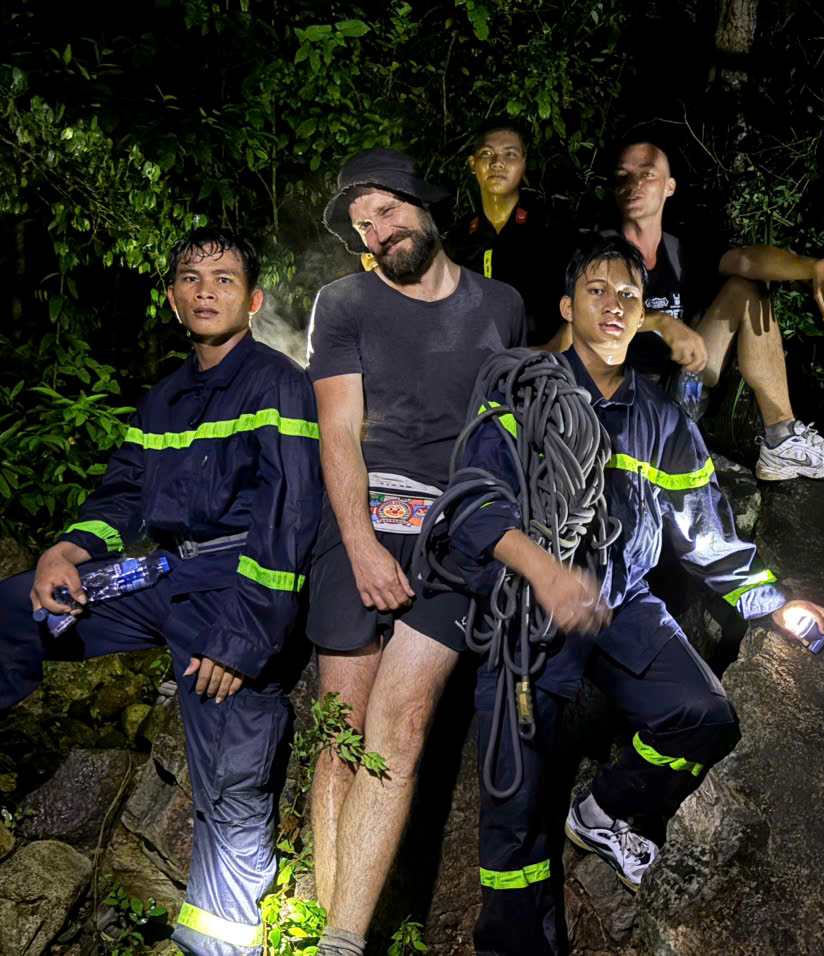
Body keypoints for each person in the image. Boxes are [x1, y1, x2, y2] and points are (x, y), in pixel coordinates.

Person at [0, 227, 320, 955]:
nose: (206, 291)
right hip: (161, 572)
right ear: (172, 300)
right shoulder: (164, 398)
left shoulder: (278, 383)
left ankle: (221, 937)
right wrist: (65, 551)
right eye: (191, 279)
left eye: (224, 280)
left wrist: (243, 639)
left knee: (231, 761)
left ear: (254, 300)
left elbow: (289, 517)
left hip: (232, 586)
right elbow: (124, 496)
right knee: (10, 608)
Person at [452, 234, 824, 954]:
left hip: (620, 601)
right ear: (566, 307)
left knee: (704, 715)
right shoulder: (522, 393)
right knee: (516, 810)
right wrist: (546, 573)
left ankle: (604, 812)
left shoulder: (662, 418)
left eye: (628, 295)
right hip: (530, 610)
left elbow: (706, 534)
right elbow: (473, 507)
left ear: (644, 316)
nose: (613, 304)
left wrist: (773, 602)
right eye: (596, 291)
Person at [306, 148, 526, 956]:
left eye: (387, 212)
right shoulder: (343, 304)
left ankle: (343, 942)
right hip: (361, 522)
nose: (376, 231)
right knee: (342, 736)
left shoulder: (503, 305)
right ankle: (329, 929)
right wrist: (361, 545)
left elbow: (508, 432)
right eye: (362, 224)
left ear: (425, 207)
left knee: (399, 724)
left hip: (455, 531)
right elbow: (338, 431)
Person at [560, 139, 824, 482]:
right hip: (619, 397)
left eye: (646, 174)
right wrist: (660, 323)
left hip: (681, 391)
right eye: (623, 175)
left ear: (669, 187)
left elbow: (748, 260)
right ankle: (663, 447)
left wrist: (817, 268)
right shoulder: (597, 251)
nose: (633, 184)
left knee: (745, 290)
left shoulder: (682, 248)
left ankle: (781, 440)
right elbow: (579, 322)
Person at [444, 120, 569, 346]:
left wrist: (551, 349)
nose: (497, 163)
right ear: (473, 163)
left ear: (524, 163)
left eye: (510, 154)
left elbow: (578, 305)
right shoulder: (458, 238)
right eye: (486, 153)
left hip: (538, 356)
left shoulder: (550, 229)